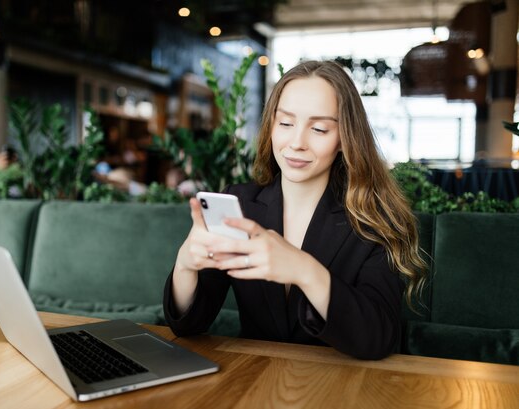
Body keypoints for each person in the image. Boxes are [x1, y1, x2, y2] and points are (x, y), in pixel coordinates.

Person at [163, 60, 426, 360]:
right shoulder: (240, 207)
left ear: (344, 139)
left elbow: (379, 339)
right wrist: (185, 264)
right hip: (252, 382)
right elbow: (189, 325)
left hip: (340, 389)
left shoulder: (373, 221)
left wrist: (304, 270)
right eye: (286, 123)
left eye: (319, 128)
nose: (297, 142)